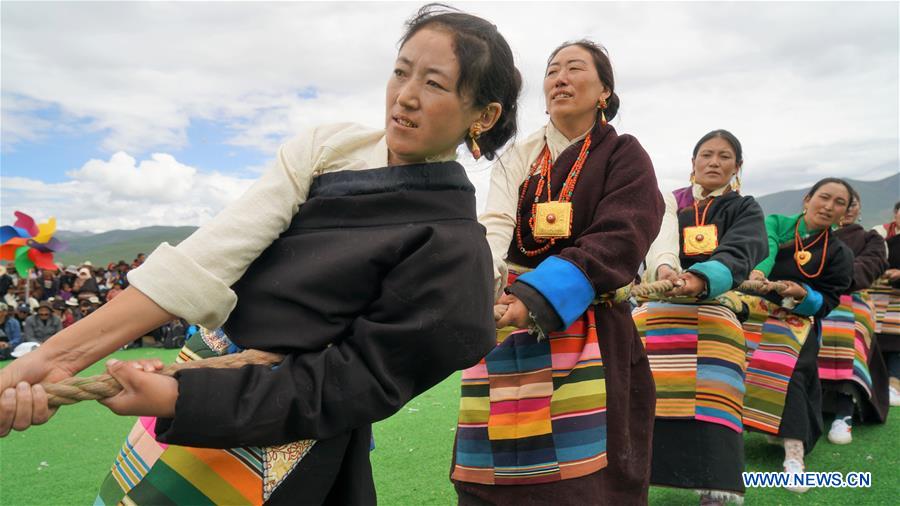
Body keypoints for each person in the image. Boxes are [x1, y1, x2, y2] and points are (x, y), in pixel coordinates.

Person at [0, 5, 521, 505]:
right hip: (197, 378)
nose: (405, 97)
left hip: (280, 440)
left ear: (484, 114)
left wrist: (181, 401)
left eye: (433, 83)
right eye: (400, 72)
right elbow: (205, 260)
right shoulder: (326, 149)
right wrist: (51, 361)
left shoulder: (455, 251)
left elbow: (348, 384)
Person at [451, 39, 664, 504]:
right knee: (498, 469)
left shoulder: (624, 155)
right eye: (552, 71)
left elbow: (623, 233)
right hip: (509, 322)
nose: (560, 78)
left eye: (574, 68)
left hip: (597, 326)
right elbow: (494, 230)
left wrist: (538, 296)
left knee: (586, 480)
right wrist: (477, 294)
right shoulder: (516, 156)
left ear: (604, 90)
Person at [636, 130, 767, 504]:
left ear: (737, 167)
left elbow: (745, 248)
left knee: (716, 391)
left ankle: (717, 485)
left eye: (725, 156)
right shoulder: (668, 205)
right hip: (658, 305)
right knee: (640, 389)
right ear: (692, 163)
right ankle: (637, 475)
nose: (714, 162)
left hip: (717, 305)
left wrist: (702, 279)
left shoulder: (745, 208)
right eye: (706, 154)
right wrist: (663, 277)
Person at [744, 178, 854, 492]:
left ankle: (794, 457)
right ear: (807, 199)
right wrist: (759, 274)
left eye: (839, 203)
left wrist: (802, 293)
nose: (829, 206)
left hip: (796, 319)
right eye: (824, 197)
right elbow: (765, 249)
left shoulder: (839, 252)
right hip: (753, 306)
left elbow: (828, 301)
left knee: (789, 370)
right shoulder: (777, 223)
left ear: (844, 213)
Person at [817, 190, 890, 445]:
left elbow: (868, 267)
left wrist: (830, 279)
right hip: (813, 296)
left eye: (851, 203)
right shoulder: (811, 234)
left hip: (853, 298)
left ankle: (844, 412)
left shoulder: (872, 239)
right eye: (840, 203)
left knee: (844, 326)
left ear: (858, 209)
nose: (846, 208)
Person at [872, 201, 900, 405]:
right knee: (877, 340)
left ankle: (894, 383)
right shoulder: (879, 234)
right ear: (895, 214)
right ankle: (878, 383)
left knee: (897, 342)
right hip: (878, 296)